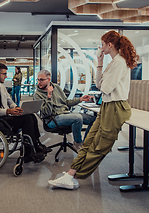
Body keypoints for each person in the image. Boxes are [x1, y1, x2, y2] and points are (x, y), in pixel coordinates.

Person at [48, 30, 138, 189]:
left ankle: (74, 175)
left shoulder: (119, 62)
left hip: (115, 107)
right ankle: (70, 175)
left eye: (102, 45)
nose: (101, 47)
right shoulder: (113, 62)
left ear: (109, 45)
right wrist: (99, 62)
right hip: (108, 106)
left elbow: (106, 88)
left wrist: (103, 82)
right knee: (88, 142)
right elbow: (98, 85)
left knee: (99, 146)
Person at [0, 63, 50, 163]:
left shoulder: (2, 87)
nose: (6, 76)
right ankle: (29, 152)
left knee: (31, 115)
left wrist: (16, 108)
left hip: (5, 117)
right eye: (4, 74)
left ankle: (36, 144)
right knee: (27, 120)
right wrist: (8, 111)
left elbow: (10, 101)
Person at [33, 69, 96, 151]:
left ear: (48, 79)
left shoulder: (57, 88)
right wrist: (49, 96)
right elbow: (46, 112)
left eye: (41, 79)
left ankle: (85, 144)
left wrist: (81, 99)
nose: (39, 82)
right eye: (38, 79)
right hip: (52, 119)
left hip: (65, 114)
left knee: (94, 120)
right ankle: (78, 144)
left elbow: (66, 102)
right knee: (77, 118)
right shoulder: (37, 94)